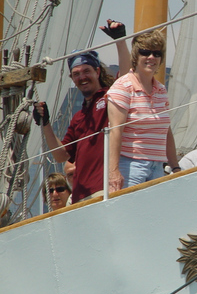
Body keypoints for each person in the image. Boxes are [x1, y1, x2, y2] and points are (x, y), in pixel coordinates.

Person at [33, 19, 130, 204]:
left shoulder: (110, 97)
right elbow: (61, 155)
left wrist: (120, 40)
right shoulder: (78, 117)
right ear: (72, 78)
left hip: (103, 189)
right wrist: (45, 123)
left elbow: (125, 78)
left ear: (97, 72)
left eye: (86, 71)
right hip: (80, 196)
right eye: (76, 74)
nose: (82, 77)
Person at [106, 29, 180, 192]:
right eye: (145, 52)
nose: (151, 57)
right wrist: (113, 172)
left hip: (158, 167)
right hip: (130, 166)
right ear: (136, 56)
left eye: (156, 53)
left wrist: (175, 167)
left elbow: (165, 131)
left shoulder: (161, 90)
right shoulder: (123, 87)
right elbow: (115, 131)